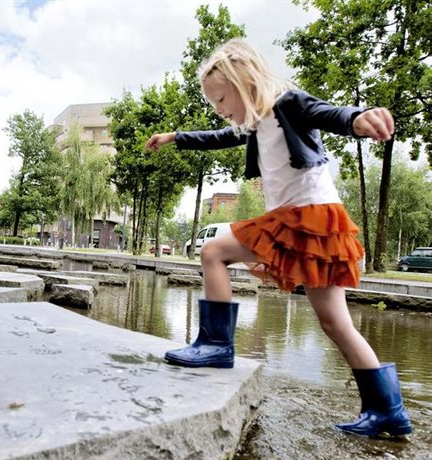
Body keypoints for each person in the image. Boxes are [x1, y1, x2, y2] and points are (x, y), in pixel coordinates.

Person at [145, 39, 411, 438]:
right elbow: (221, 136)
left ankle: (217, 345)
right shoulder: (255, 122)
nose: (219, 109)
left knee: (214, 250)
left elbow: (329, 113)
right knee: (334, 321)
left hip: (310, 217)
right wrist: (176, 137)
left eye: (220, 99)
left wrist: (358, 119)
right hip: (312, 221)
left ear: (245, 82)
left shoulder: (287, 103)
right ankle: (387, 409)